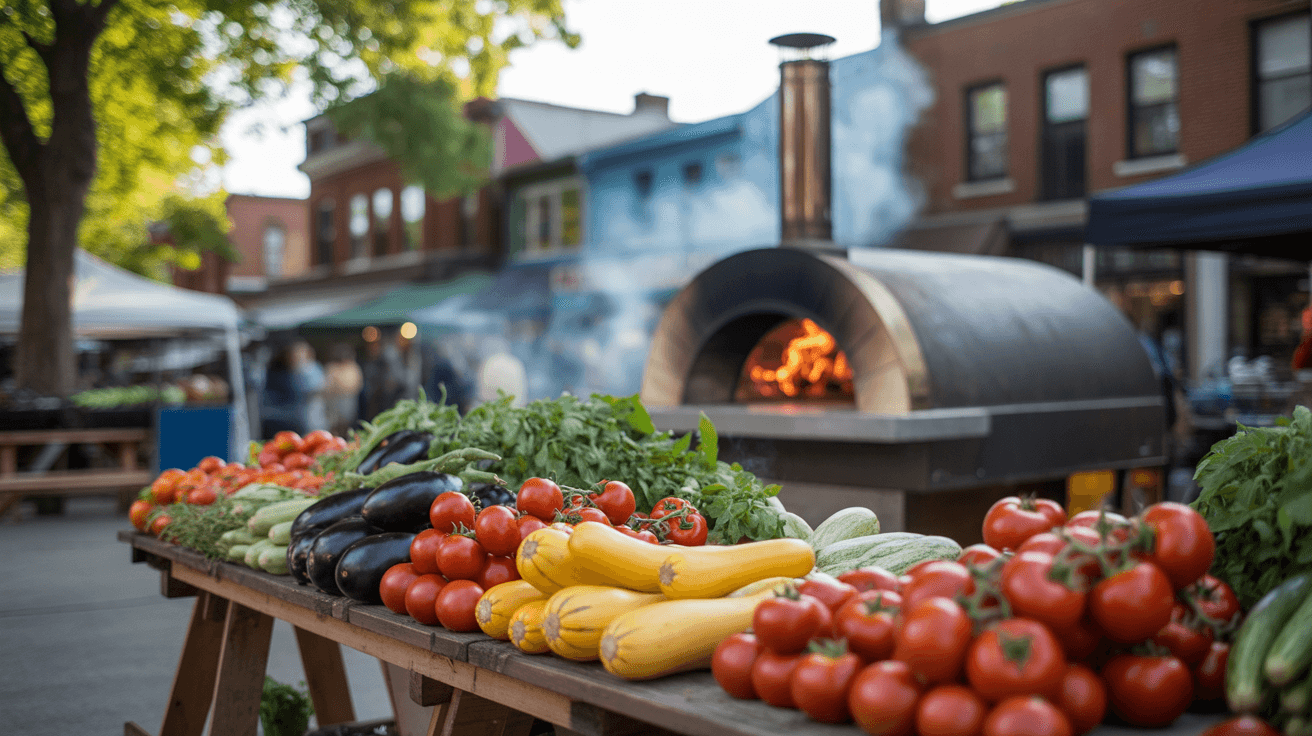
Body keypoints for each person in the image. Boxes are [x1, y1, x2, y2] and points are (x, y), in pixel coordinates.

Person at [324, 343, 363, 436]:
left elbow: (357, 385)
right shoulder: (332, 367)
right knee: (333, 425)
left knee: (347, 425)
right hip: (334, 401)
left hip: (348, 400)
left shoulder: (353, 367)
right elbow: (327, 386)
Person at [290, 342, 327, 433]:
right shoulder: (296, 368)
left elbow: (322, 386)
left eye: (300, 352)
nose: (298, 355)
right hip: (299, 409)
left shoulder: (313, 367)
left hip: (313, 406)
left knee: (316, 431)